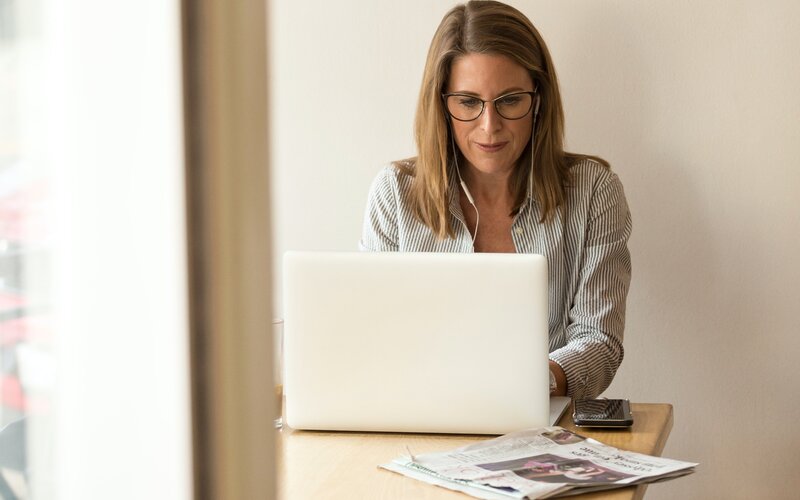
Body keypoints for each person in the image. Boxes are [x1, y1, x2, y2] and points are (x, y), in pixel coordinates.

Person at [359, 0, 631, 399]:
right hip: (420, 420)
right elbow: (373, 339)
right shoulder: (394, 193)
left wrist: (528, 384)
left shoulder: (593, 191)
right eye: (468, 102)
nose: (490, 127)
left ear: (538, 99)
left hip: (545, 427)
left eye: (509, 101)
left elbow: (600, 342)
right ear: (442, 104)